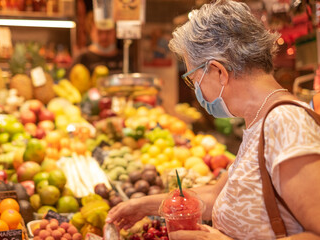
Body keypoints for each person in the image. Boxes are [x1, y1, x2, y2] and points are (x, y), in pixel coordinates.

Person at [106, 1, 320, 239]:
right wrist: (146, 205)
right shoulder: (259, 120)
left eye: (193, 78)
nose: (195, 89)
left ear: (218, 71)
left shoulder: (286, 123)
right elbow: (217, 195)